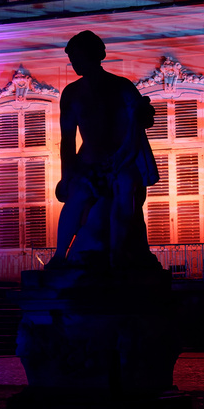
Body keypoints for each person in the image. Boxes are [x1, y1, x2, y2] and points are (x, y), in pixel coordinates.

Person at [50, 30, 162, 275]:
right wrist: (66, 176)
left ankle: (118, 252)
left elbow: (141, 123)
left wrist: (140, 115)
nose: (74, 63)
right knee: (76, 194)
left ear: (93, 56)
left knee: (124, 191)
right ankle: (60, 254)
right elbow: (67, 140)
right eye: (71, 59)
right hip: (88, 161)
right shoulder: (71, 94)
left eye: (76, 57)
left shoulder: (121, 87)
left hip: (122, 159)